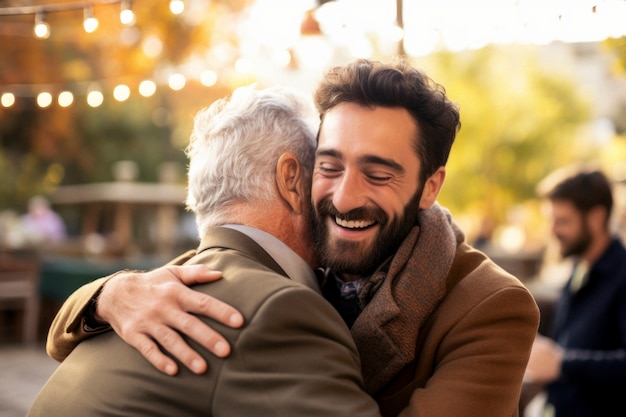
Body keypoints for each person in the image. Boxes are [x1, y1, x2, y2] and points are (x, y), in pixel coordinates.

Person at [45, 58, 540, 417]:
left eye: (378, 173)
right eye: (329, 165)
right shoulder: (282, 270)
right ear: (297, 177)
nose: (345, 198)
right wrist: (109, 294)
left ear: (430, 186)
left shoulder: (490, 305)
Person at [27, 86, 381, 417]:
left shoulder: (154, 291)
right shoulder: (280, 309)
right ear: (290, 179)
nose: (341, 194)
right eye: (326, 169)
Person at [523, 167, 626, 417]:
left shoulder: (622, 276)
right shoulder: (579, 269)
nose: (553, 230)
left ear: (597, 217)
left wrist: (562, 364)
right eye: (552, 220)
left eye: (563, 221)